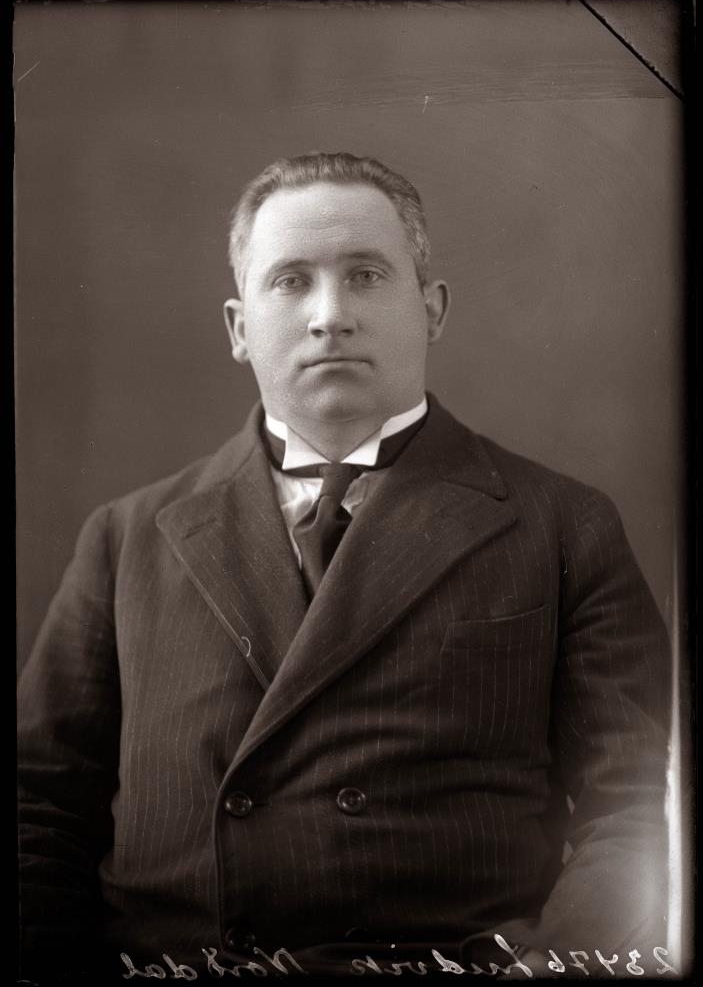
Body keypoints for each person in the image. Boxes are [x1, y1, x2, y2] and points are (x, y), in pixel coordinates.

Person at [18, 152, 672, 982]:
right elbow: (37, 813)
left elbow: (631, 808)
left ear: (430, 309)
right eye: (290, 282)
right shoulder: (125, 539)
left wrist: (548, 972)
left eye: (365, 276)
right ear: (238, 328)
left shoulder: (562, 525)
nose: (330, 316)